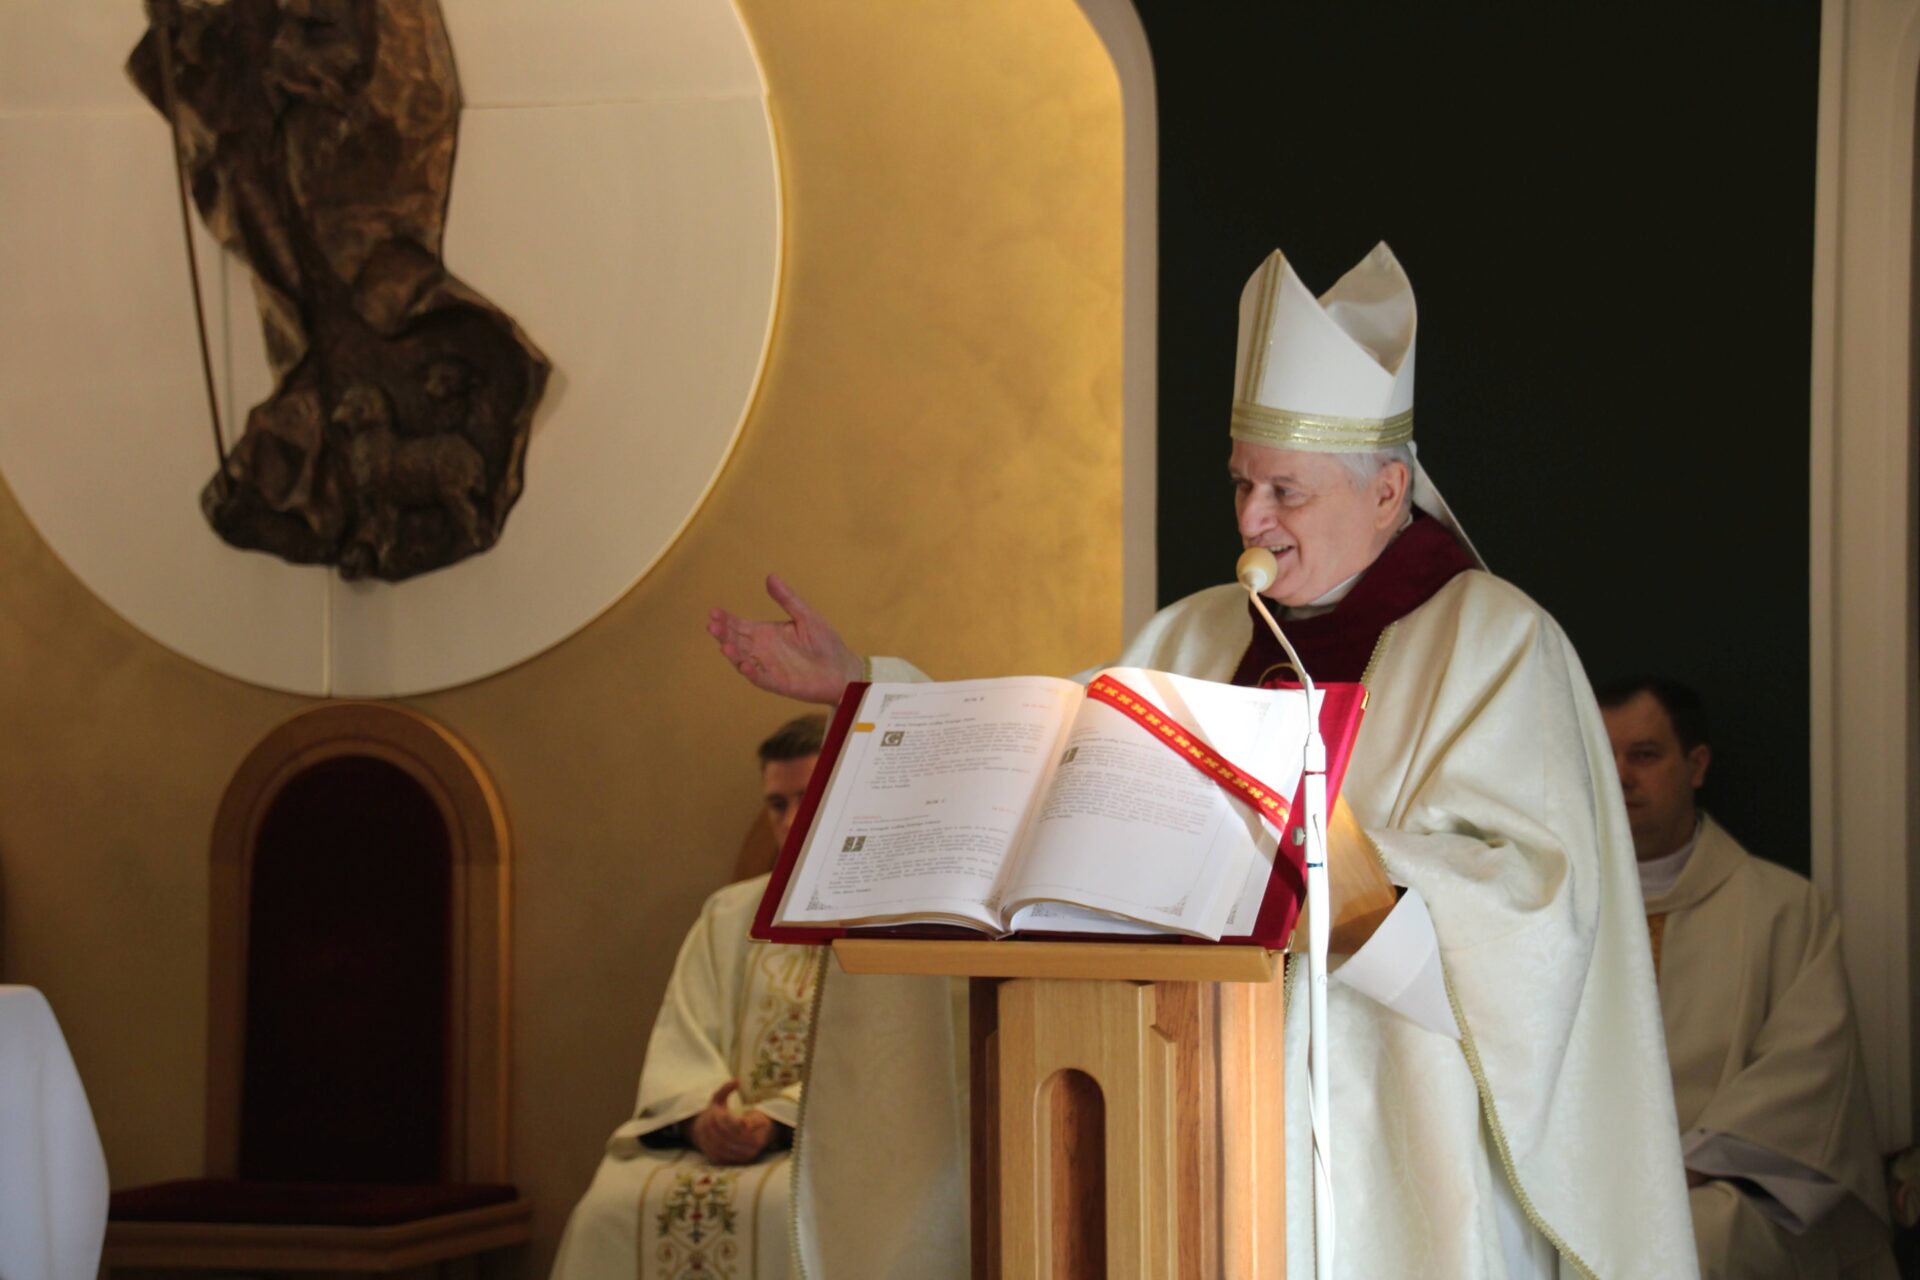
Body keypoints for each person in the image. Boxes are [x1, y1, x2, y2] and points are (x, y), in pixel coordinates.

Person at [708, 244, 1697, 1277]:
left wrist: (1333, 860)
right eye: (1241, 483)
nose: (1252, 519)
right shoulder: (1195, 634)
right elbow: (1039, 767)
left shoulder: (1496, 643)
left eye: (1285, 491)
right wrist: (865, 690)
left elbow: (1538, 914)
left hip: (1388, 1138)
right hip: (1158, 1112)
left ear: (1387, 490)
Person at [1598, 677, 1896, 1278]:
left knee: (1687, 1247)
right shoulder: (1553, 906)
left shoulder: (1783, 909)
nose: (1621, 775)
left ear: (1696, 765)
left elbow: (1807, 1075)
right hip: (1583, 1177)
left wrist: (1680, 1170)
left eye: (1645, 755)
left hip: (1726, 1186)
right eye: (1605, 757)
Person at [548, 716, 826, 1280]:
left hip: (826, 1144)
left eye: (809, 799)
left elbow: (885, 1069)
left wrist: (775, 1121)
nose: (790, 821)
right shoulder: (730, 914)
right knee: (607, 1209)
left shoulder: (896, 924)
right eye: (777, 804)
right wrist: (702, 1117)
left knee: (788, 1213)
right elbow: (684, 1035)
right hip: (724, 1136)